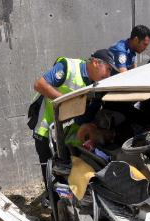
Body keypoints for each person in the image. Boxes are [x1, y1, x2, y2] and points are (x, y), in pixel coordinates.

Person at [30, 49, 114, 196]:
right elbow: (39, 84)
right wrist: (67, 101)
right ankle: (52, 203)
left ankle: (67, 201)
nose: (108, 75)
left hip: (68, 132)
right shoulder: (68, 67)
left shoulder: (96, 84)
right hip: (46, 127)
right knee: (50, 170)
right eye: (107, 69)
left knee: (68, 169)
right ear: (95, 63)